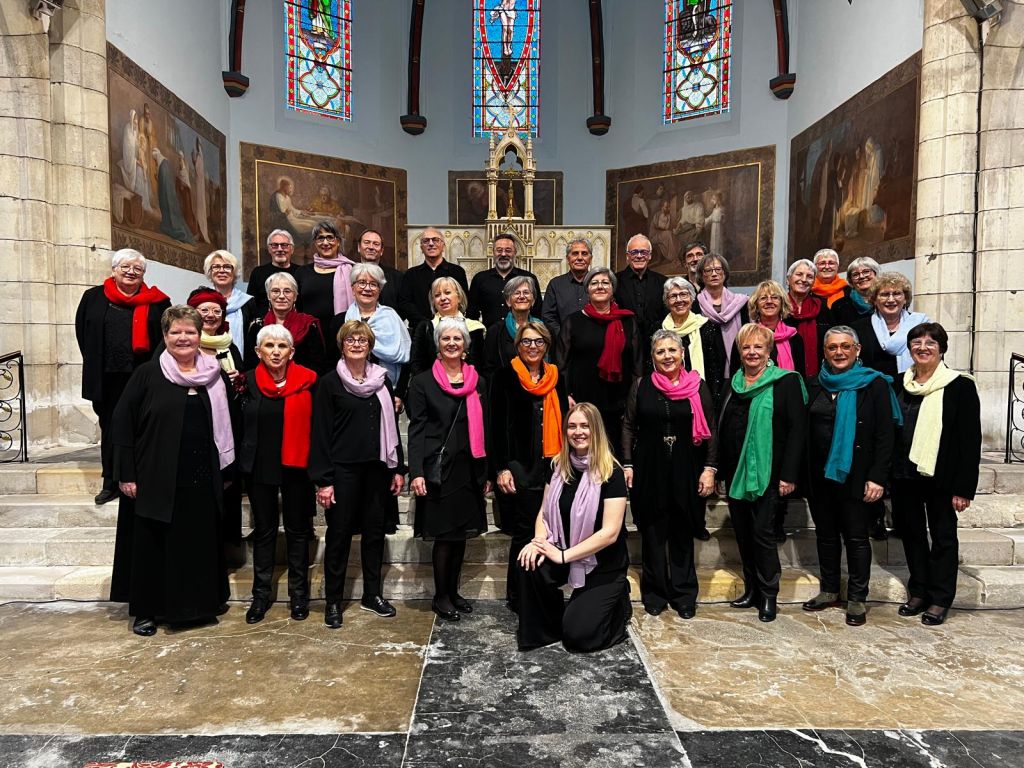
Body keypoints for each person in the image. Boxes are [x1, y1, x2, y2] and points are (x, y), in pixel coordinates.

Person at [109, 305, 233, 636]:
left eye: (190, 332)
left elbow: (229, 422)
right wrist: (126, 473)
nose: (183, 338)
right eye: (175, 332)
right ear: (164, 336)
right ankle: (148, 611)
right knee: (155, 544)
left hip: (202, 474)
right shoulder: (148, 374)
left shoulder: (214, 375)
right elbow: (121, 424)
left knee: (198, 540)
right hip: (157, 475)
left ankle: (201, 604)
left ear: (200, 336)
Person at [311, 320, 406, 628]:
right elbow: (321, 434)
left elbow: (390, 426)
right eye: (350, 340)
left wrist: (397, 468)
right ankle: (334, 601)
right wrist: (323, 480)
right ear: (342, 345)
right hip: (342, 471)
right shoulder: (329, 383)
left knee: (375, 534)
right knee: (338, 537)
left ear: (369, 345)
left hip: (377, 469)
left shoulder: (382, 380)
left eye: (362, 340)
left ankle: (372, 594)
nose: (356, 344)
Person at [803, 326, 900, 626]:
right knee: (826, 535)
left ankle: (857, 596)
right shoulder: (814, 384)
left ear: (857, 349)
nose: (839, 352)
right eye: (832, 348)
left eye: (846, 346)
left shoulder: (875, 385)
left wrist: (878, 478)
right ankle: (830, 589)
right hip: (820, 476)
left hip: (858, 476)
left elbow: (886, 436)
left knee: (857, 538)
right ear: (825, 352)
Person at [515, 402, 631, 652]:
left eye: (585, 426)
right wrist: (539, 543)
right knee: (528, 563)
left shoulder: (612, 473)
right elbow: (544, 512)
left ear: (596, 430)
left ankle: (619, 604)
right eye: (572, 426)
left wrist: (563, 555)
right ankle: (548, 626)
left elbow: (610, 533)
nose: (578, 432)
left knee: (579, 638)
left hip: (602, 564)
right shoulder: (558, 466)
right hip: (563, 550)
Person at [622, 330, 717, 618]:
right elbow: (628, 425)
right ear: (652, 357)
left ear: (682, 354)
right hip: (650, 468)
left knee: (682, 531)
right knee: (652, 532)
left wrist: (709, 469)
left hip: (686, 469)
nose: (667, 356)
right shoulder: (641, 385)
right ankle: (655, 592)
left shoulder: (698, 387)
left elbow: (711, 429)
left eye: (672, 350)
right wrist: (628, 464)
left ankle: (684, 594)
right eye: (660, 352)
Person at [891, 323, 981, 626]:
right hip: (905, 473)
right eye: (917, 342)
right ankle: (919, 591)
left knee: (943, 537)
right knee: (912, 535)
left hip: (941, 476)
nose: (923, 347)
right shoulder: (900, 384)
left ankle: (941, 598)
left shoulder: (959, 385)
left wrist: (964, 488)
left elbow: (970, 440)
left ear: (941, 348)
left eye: (931, 342)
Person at [717, 323, 807, 623]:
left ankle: (769, 595)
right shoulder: (734, 384)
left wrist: (789, 475)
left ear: (769, 351)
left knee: (762, 534)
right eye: (746, 347)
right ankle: (752, 590)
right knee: (743, 534)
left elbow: (797, 431)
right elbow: (723, 428)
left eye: (758, 347)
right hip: (736, 474)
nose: (752, 352)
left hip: (769, 474)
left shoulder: (786, 382)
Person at [407, 318, 490, 621]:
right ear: (438, 346)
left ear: (466, 346)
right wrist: (416, 472)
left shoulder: (477, 381)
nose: (452, 343)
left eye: (458, 339)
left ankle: (454, 592)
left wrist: (487, 470)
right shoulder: (423, 382)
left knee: (460, 536)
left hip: (468, 468)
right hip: (438, 470)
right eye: (446, 339)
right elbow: (416, 430)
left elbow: (485, 427)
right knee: (444, 537)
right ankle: (440, 596)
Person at [75, 249, 170, 505]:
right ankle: (110, 483)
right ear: (114, 270)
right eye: (125, 267)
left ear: (143, 274)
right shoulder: (93, 297)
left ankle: (141, 478)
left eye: (137, 269)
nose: (131, 272)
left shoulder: (158, 302)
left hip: (143, 378)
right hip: (107, 379)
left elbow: (166, 340)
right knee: (111, 430)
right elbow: (83, 334)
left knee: (142, 429)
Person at [238, 325, 318, 624]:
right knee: (265, 531)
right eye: (269, 346)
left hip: (298, 466)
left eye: (282, 346)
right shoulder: (245, 382)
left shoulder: (310, 381)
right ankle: (260, 596)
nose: (275, 351)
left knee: (298, 532)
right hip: (260, 466)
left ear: (291, 351)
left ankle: (299, 596)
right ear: (258, 351)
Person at [490, 322, 568, 612]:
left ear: (546, 345)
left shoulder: (557, 377)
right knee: (524, 532)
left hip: (553, 464)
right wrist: (500, 468)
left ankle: (541, 590)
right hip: (519, 467)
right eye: (526, 342)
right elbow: (495, 427)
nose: (532, 347)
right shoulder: (504, 377)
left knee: (549, 530)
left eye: (538, 342)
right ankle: (518, 595)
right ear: (517, 346)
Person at [554, 267, 642, 458]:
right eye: (594, 283)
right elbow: (561, 363)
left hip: (619, 402)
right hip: (582, 401)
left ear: (612, 288)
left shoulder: (628, 321)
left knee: (615, 455)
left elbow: (637, 362)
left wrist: (634, 398)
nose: (600, 286)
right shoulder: (573, 321)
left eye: (605, 282)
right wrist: (565, 394)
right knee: (585, 456)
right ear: (587, 290)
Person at [403, 277, 486, 395]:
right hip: (431, 392)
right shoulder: (425, 327)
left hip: (467, 390)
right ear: (433, 302)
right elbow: (417, 363)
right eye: (437, 295)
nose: (443, 298)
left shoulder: (474, 327)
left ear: (459, 297)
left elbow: (477, 364)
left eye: (447, 293)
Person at [339, 263, 411, 393]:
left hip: (388, 389)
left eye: (373, 284)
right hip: (347, 390)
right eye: (361, 282)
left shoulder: (392, 318)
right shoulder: (340, 321)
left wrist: (399, 394)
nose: (367, 288)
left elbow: (405, 358)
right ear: (352, 288)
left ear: (380, 289)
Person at [853, 271, 928, 392]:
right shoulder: (858, 328)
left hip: (914, 391)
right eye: (885, 294)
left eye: (897, 293)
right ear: (875, 300)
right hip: (871, 392)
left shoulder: (921, 325)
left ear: (905, 299)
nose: (891, 299)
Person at [243, 272, 327, 374]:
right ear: (268, 296)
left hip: (302, 384)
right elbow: (251, 365)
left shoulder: (308, 326)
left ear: (295, 296)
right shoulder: (256, 326)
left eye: (287, 291)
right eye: (275, 291)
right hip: (264, 384)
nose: (281, 296)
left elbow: (317, 366)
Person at [295, 221, 356, 358]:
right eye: (320, 238)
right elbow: (297, 308)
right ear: (315, 243)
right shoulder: (302, 272)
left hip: (342, 335)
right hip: (309, 336)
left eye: (330, 237)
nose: (325, 242)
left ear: (338, 241)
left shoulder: (352, 271)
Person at [731, 280, 805, 378]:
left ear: (782, 303)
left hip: (787, 391)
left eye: (775, 298)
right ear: (756, 305)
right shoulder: (745, 336)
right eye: (763, 298)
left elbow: (800, 376)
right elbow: (736, 375)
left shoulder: (794, 338)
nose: (769, 301)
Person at [399, 228, 470, 327]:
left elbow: (463, 300)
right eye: (426, 241)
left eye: (435, 240)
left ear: (443, 245)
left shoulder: (457, 272)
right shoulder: (411, 274)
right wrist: (426, 324)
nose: (431, 243)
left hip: (452, 328)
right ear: (421, 247)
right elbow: (405, 304)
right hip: (420, 330)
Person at [468, 234, 542, 327]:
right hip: (489, 339)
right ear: (493, 252)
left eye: (508, 250)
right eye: (499, 250)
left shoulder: (529, 278)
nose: (503, 254)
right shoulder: (480, 279)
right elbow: (472, 315)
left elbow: (537, 311)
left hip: (521, 337)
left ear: (515, 252)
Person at [695, 253, 749, 375]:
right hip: (706, 366)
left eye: (718, 269)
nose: (714, 274)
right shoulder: (695, 305)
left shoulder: (741, 303)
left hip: (738, 364)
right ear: (702, 276)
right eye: (708, 270)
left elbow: (747, 334)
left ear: (724, 273)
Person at [615, 233, 669, 351]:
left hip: (656, 346)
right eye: (634, 252)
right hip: (624, 347)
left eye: (644, 252)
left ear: (649, 256)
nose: (639, 256)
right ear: (627, 256)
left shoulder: (664, 282)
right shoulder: (614, 281)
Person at [483, 275, 541, 376]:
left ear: (533, 300)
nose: (522, 296)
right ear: (508, 301)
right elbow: (488, 368)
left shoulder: (543, 329)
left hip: (539, 387)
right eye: (517, 293)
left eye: (526, 292)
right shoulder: (495, 331)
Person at [205, 250, 257, 353]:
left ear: (235, 272)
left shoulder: (248, 302)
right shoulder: (201, 299)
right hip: (206, 358)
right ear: (210, 272)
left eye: (227, 267)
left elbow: (252, 337)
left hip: (241, 363)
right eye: (216, 267)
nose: (221, 271)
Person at [186, 287, 243, 379]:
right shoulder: (182, 342)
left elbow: (242, 374)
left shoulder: (230, 346)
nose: (211, 315)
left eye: (217, 311)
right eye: (204, 310)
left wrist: (239, 378)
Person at [786, 258, 830, 378]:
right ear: (788, 279)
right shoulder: (779, 306)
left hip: (819, 375)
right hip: (784, 374)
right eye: (799, 274)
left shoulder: (822, 306)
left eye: (809, 276)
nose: (804, 280)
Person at [541, 238, 592, 339]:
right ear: (568, 258)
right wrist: (563, 336)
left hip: (594, 343)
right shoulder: (555, 284)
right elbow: (548, 316)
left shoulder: (598, 284)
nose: (580, 258)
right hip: (563, 347)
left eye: (584, 254)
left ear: (590, 258)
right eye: (575, 253)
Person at [248, 229, 299, 315]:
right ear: (269, 249)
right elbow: (251, 305)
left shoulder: (300, 272)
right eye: (274, 245)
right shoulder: (258, 273)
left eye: (284, 245)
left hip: (295, 324)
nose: (279, 249)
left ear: (292, 249)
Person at [355, 228, 404, 315]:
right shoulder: (348, 273)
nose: (371, 247)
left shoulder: (397, 277)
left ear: (381, 251)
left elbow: (403, 307)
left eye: (376, 244)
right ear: (359, 247)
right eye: (366, 242)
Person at [810, 248, 853, 320]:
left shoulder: (849, 291)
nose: (827, 267)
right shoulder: (807, 291)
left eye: (831, 263)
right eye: (822, 263)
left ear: (837, 266)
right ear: (815, 267)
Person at [844, 256, 882, 322]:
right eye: (855, 274)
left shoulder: (888, 298)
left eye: (866, 272)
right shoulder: (841, 306)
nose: (861, 276)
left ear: (876, 274)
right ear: (851, 280)